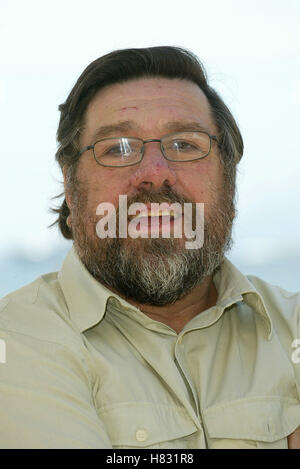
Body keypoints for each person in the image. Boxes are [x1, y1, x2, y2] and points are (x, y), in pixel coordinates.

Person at [0, 46, 299, 449]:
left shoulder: (292, 324)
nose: (155, 174)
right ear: (71, 187)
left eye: (185, 145)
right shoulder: (17, 337)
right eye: (117, 148)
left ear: (228, 178)